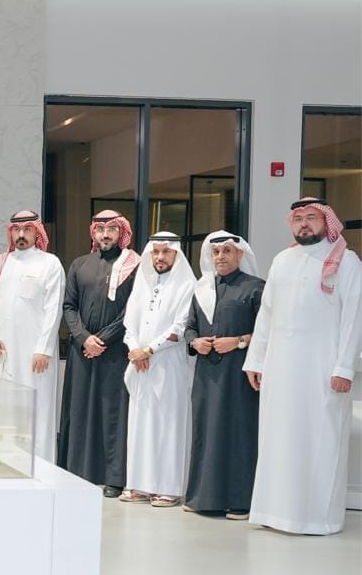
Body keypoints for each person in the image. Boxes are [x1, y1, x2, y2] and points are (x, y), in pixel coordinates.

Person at [243, 198, 362, 535]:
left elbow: (354, 317)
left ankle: (317, 518)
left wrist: (344, 368)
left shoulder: (346, 261)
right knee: (278, 438)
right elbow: (266, 314)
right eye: (298, 219)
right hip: (280, 368)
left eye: (312, 217)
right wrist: (256, 360)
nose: (304, 224)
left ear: (326, 222)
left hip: (322, 370)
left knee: (321, 439)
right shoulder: (282, 261)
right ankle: (275, 512)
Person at [58, 210, 140, 496]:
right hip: (82, 351)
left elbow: (132, 309)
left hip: (115, 351)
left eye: (111, 230)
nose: (105, 235)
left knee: (112, 413)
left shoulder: (134, 265)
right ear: (93, 233)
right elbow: (69, 306)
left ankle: (113, 478)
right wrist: (84, 338)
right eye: (100, 230)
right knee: (79, 409)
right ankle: (77, 472)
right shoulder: (80, 264)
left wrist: (102, 339)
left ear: (121, 233)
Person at [183, 231, 263, 518]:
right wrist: (195, 342)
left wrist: (238, 341)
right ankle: (204, 499)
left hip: (240, 377)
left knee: (239, 434)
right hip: (206, 376)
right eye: (216, 252)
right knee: (206, 434)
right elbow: (189, 327)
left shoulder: (256, 288)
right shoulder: (202, 290)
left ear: (240, 254)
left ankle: (240, 501)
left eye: (227, 251)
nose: (220, 257)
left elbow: (266, 332)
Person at [119, 233, 198, 507]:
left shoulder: (187, 284)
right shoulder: (143, 282)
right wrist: (134, 349)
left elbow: (180, 327)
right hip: (140, 365)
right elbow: (129, 324)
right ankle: (140, 485)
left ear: (176, 254)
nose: (160, 257)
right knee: (140, 425)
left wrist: (149, 350)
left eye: (166, 252)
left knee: (168, 425)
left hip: (169, 365)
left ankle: (169, 488)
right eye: (156, 252)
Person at [0, 209, 65, 462]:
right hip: (2, 351)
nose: (21, 234)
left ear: (36, 232)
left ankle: (40, 465)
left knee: (36, 407)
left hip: (35, 354)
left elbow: (53, 308)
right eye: (16, 230)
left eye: (27, 229)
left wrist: (44, 349)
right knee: (4, 406)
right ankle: (6, 463)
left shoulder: (50, 263)